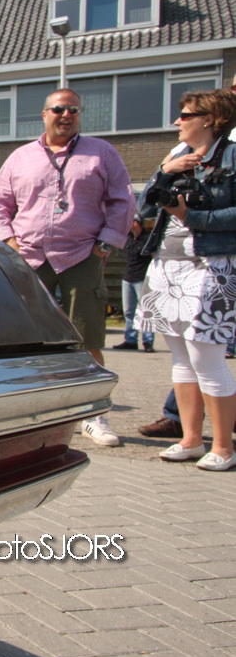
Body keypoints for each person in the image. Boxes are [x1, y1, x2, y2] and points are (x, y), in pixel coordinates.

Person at [0, 88, 135, 446]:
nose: (66, 115)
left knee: (87, 337)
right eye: (58, 109)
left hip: (81, 256)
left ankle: (93, 415)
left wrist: (105, 244)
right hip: (29, 258)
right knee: (25, 338)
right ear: (44, 114)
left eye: (73, 110)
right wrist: (9, 243)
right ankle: (26, 412)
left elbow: (123, 199)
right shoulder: (20, 157)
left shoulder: (102, 153)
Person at [135, 88, 236, 471]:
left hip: (211, 265)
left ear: (209, 119)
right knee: (180, 358)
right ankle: (191, 440)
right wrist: (166, 172)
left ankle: (223, 446)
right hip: (168, 264)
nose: (177, 121)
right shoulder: (177, 155)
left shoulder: (232, 156)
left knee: (206, 357)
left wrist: (194, 217)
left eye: (186, 115)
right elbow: (145, 207)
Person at [112, 216, 157, 352]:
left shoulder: (148, 238)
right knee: (129, 311)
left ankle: (148, 342)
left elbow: (155, 257)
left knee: (146, 311)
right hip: (128, 279)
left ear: (136, 223)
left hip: (143, 279)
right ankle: (130, 340)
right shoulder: (129, 238)